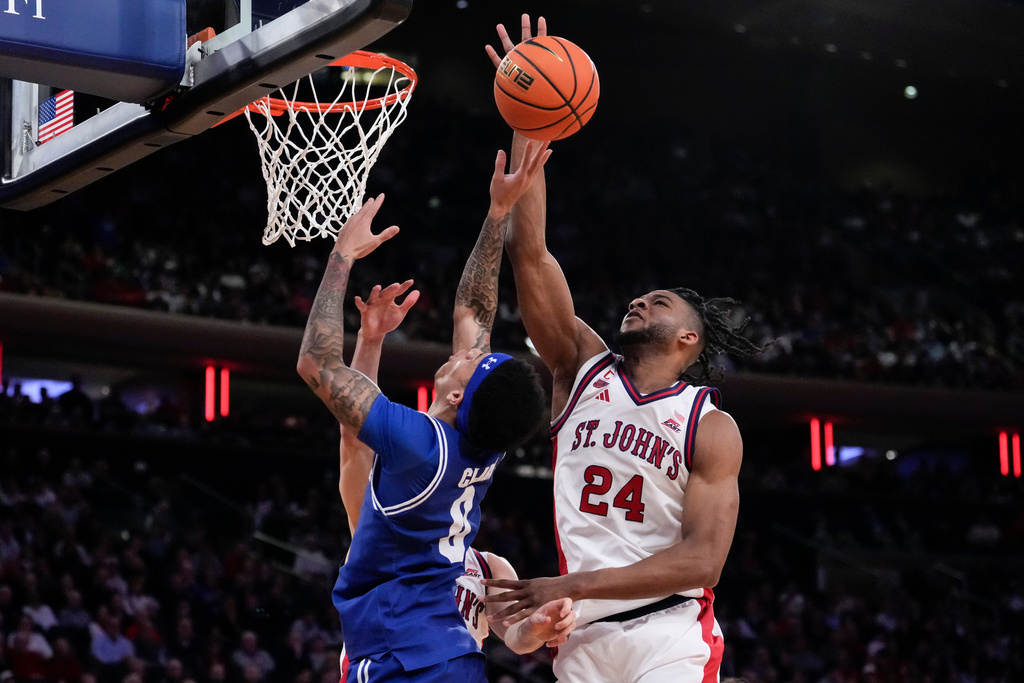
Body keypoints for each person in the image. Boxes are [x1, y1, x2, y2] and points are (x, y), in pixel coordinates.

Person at [482, 15, 768, 682]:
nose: (640, 302)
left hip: (667, 632)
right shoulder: (582, 365)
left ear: (689, 337)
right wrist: (529, 115)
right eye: (640, 297)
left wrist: (573, 585)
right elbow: (531, 254)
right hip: (580, 637)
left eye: (660, 302)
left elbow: (703, 561)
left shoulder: (710, 424)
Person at [296, 141, 565, 682]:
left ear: (461, 395)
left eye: (473, 362)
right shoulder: (478, 445)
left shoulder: (421, 445)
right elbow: (474, 309)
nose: (466, 351)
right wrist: (497, 213)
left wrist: (341, 256)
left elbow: (314, 365)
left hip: (406, 662)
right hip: (449, 660)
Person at [333, 277, 577, 678]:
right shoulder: (390, 534)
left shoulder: (488, 567)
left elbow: (515, 638)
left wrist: (538, 626)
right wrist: (370, 339)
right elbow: (354, 437)